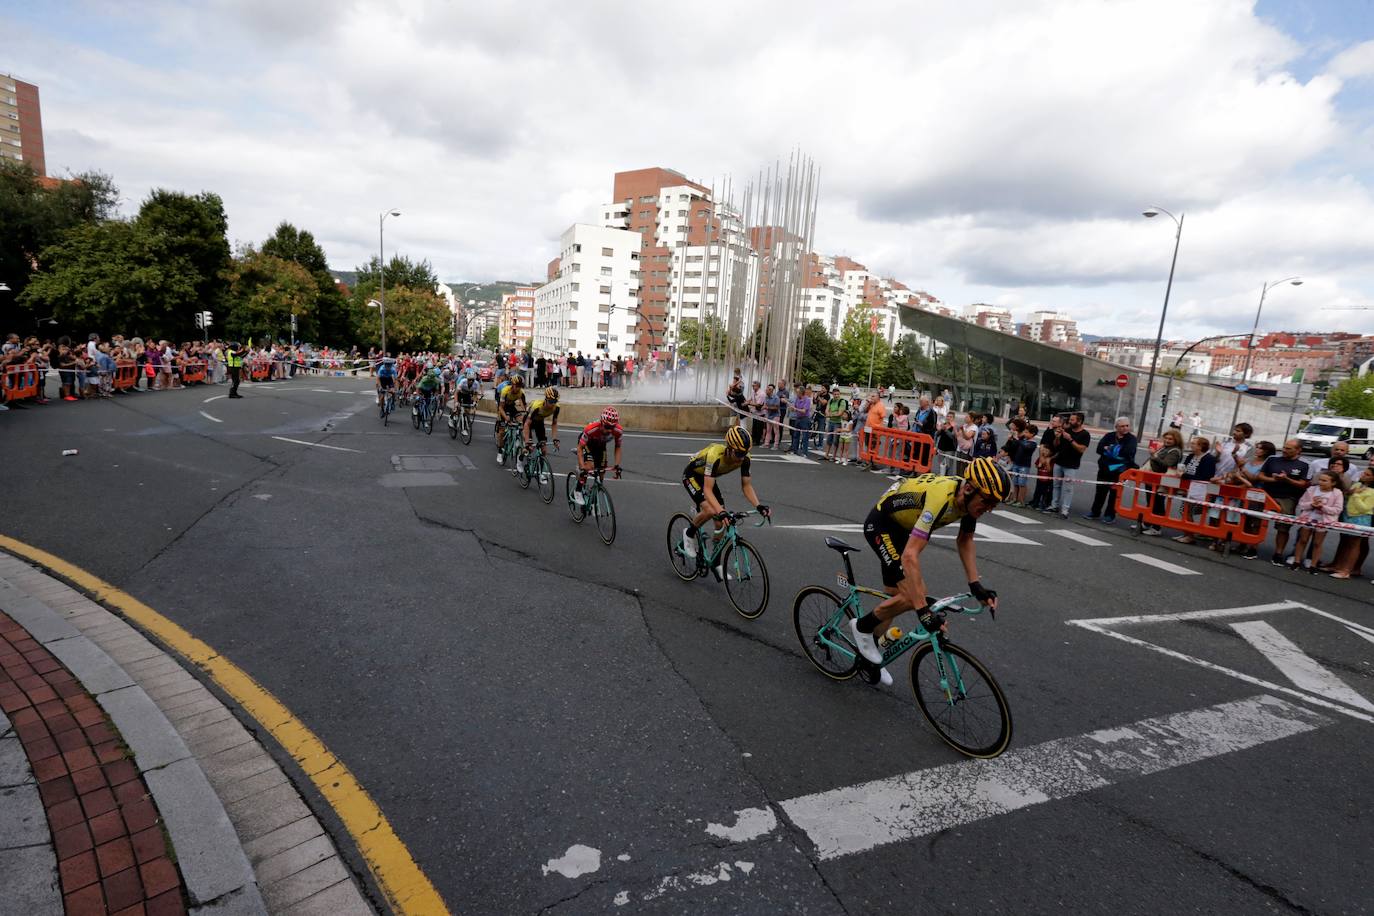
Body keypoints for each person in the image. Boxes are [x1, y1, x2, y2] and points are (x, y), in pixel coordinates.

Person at [850, 458, 1010, 687]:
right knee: (913, 594)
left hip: (903, 526)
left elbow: (965, 540)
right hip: (882, 524)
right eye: (987, 501)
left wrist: (976, 585)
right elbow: (909, 556)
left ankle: (869, 653)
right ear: (968, 489)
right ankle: (862, 627)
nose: (989, 508)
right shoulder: (941, 498)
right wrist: (923, 612)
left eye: (994, 504)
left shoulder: (967, 502)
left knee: (896, 595)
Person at [680, 426, 771, 572]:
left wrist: (758, 506)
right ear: (729, 448)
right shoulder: (714, 456)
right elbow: (707, 490)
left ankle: (715, 561)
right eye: (739, 453)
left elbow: (746, 486)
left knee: (720, 522)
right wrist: (721, 510)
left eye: (745, 453)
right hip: (693, 476)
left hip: (709, 479)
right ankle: (688, 533)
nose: (742, 457)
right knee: (710, 511)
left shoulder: (745, 459)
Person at [1257, 438, 1311, 566]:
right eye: (1284, 447)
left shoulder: (1304, 465)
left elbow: (1303, 484)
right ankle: (1252, 547)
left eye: (1289, 449)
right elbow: (1261, 475)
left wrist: (1287, 479)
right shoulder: (1272, 459)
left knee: (1283, 527)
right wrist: (1274, 480)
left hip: (1287, 498)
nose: (1285, 450)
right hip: (1266, 494)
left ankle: (1278, 553)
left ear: (1298, 450)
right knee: (1256, 521)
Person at [1289, 470, 1344, 572]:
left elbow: (1337, 509)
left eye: (1324, 481)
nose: (1321, 482)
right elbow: (1302, 503)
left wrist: (1323, 507)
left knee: (1317, 543)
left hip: (1324, 521)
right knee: (1303, 540)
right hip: (1308, 518)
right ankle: (1296, 561)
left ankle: (1313, 565)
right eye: (1320, 480)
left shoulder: (1337, 493)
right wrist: (1311, 505)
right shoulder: (1311, 489)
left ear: (1333, 483)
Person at [1085, 417, 1137, 522]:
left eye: (1127, 425)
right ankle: (1095, 512)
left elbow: (1127, 453)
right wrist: (1115, 450)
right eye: (1122, 426)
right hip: (1104, 469)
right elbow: (1099, 448)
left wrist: (1108, 449)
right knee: (1100, 492)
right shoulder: (1109, 436)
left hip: (1119, 471)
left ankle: (1110, 515)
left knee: (1114, 494)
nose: (1125, 428)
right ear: (1116, 427)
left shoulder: (1131, 439)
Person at [1134, 428, 1184, 536]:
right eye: (1166, 438)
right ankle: (1147, 523)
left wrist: (1154, 455)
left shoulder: (1174, 451)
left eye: (1170, 439)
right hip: (1152, 479)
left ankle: (1157, 527)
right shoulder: (1165, 448)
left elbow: (1165, 465)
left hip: (1161, 481)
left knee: (1158, 503)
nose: (1167, 440)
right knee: (1151, 502)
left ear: (1176, 440)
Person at [1329, 465, 1373, 580]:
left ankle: (1347, 570)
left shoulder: (1372, 491)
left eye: (1367, 475)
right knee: (1347, 543)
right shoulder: (1357, 485)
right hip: (1348, 515)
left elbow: (1364, 508)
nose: (1363, 475)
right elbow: (1347, 496)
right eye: (1364, 473)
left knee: (1355, 544)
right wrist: (1350, 492)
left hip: (1361, 518)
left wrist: (1356, 495)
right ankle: (1339, 565)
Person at [572, 406, 624, 505]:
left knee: (602, 471)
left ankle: (593, 495)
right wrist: (582, 467)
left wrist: (617, 465)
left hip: (600, 444)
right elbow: (580, 448)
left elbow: (618, 447)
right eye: (607, 427)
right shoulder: (591, 429)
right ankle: (578, 490)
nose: (609, 430)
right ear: (602, 422)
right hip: (587, 443)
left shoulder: (618, 431)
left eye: (612, 427)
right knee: (589, 467)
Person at [1172, 436, 1217, 544]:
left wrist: (1184, 475)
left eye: (1193, 443)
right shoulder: (1191, 456)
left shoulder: (1208, 459)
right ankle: (1188, 533)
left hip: (1201, 490)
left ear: (1201, 446)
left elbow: (1205, 476)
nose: (1191, 445)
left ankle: (1190, 535)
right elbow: (1185, 468)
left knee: (1186, 510)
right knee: (1185, 510)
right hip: (1189, 488)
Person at [1046, 411, 1090, 519]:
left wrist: (1070, 439)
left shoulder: (1085, 434)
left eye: (1072, 420)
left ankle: (1065, 509)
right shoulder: (1066, 430)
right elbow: (1056, 445)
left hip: (1071, 465)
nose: (1069, 421)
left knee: (1068, 488)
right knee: (1056, 485)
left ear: (1079, 422)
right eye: (1070, 419)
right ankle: (1054, 505)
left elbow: (1081, 449)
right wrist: (1057, 437)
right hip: (1059, 462)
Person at [521, 386, 561, 460]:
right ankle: (519, 460)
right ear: (545, 399)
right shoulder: (537, 407)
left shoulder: (556, 407)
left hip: (539, 422)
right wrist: (527, 442)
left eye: (555, 401)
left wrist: (555, 439)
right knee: (529, 448)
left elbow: (554, 423)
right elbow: (527, 424)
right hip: (529, 421)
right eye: (551, 401)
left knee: (544, 450)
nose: (553, 404)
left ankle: (540, 469)